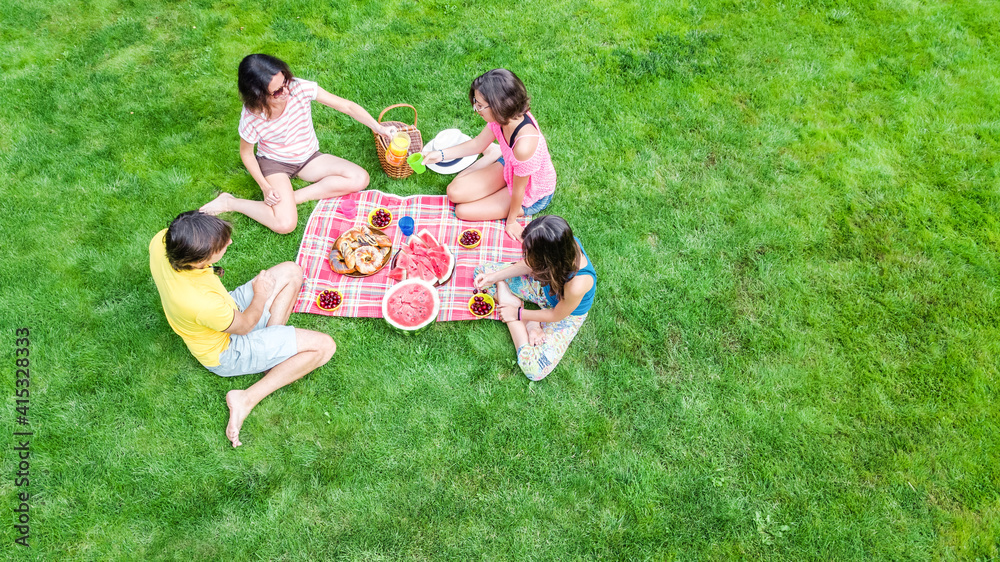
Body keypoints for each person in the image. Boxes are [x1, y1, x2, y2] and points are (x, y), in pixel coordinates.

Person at [149, 211, 336, 447]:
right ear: (198, 262)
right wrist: (261, 294)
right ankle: (245, 398)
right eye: (220, 245)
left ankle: (272, 354)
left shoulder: (164, 240)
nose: (229, 242)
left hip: (227, 309)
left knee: (291, 271)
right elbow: (245, 326)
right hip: (227, 349)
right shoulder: (201, 303)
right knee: (325, 347)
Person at [201, 54, 396, 234]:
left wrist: (378, 128)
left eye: (285, 81)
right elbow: (247, 154)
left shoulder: (299, 88)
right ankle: (231, 202)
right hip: (275, 163)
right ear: (258, 95)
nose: (286, 91)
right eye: (276, 91)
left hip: (309, 157)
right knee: (285, 225)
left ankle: (291, 200)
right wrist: (265, 187)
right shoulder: (252, 116)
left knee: (359, 178)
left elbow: (346, 106)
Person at [421, 69, 556, 241]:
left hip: (531, 190)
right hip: (509, 167)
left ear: (499, 105)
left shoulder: (524, 146)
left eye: (480, 105)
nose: (476, 110)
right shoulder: (502, 118)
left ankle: (494, 155)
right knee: (453, 192)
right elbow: (478, 144)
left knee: (462, 211)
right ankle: (493, 153)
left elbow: (519, 190)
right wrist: (440, 155)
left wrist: (511, 220)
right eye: (475, 103)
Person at [472, 215, 595, 381]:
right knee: (483, 274)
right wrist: (494, 278)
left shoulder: (577, 284)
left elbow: (556, 315)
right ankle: (508, 298)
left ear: (549, 260)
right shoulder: (561, 245)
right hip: (543, 288)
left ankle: (516, 312)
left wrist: (517, 314)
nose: (527, 257)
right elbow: (529, 263)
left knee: (534, 368)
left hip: (565, 314)